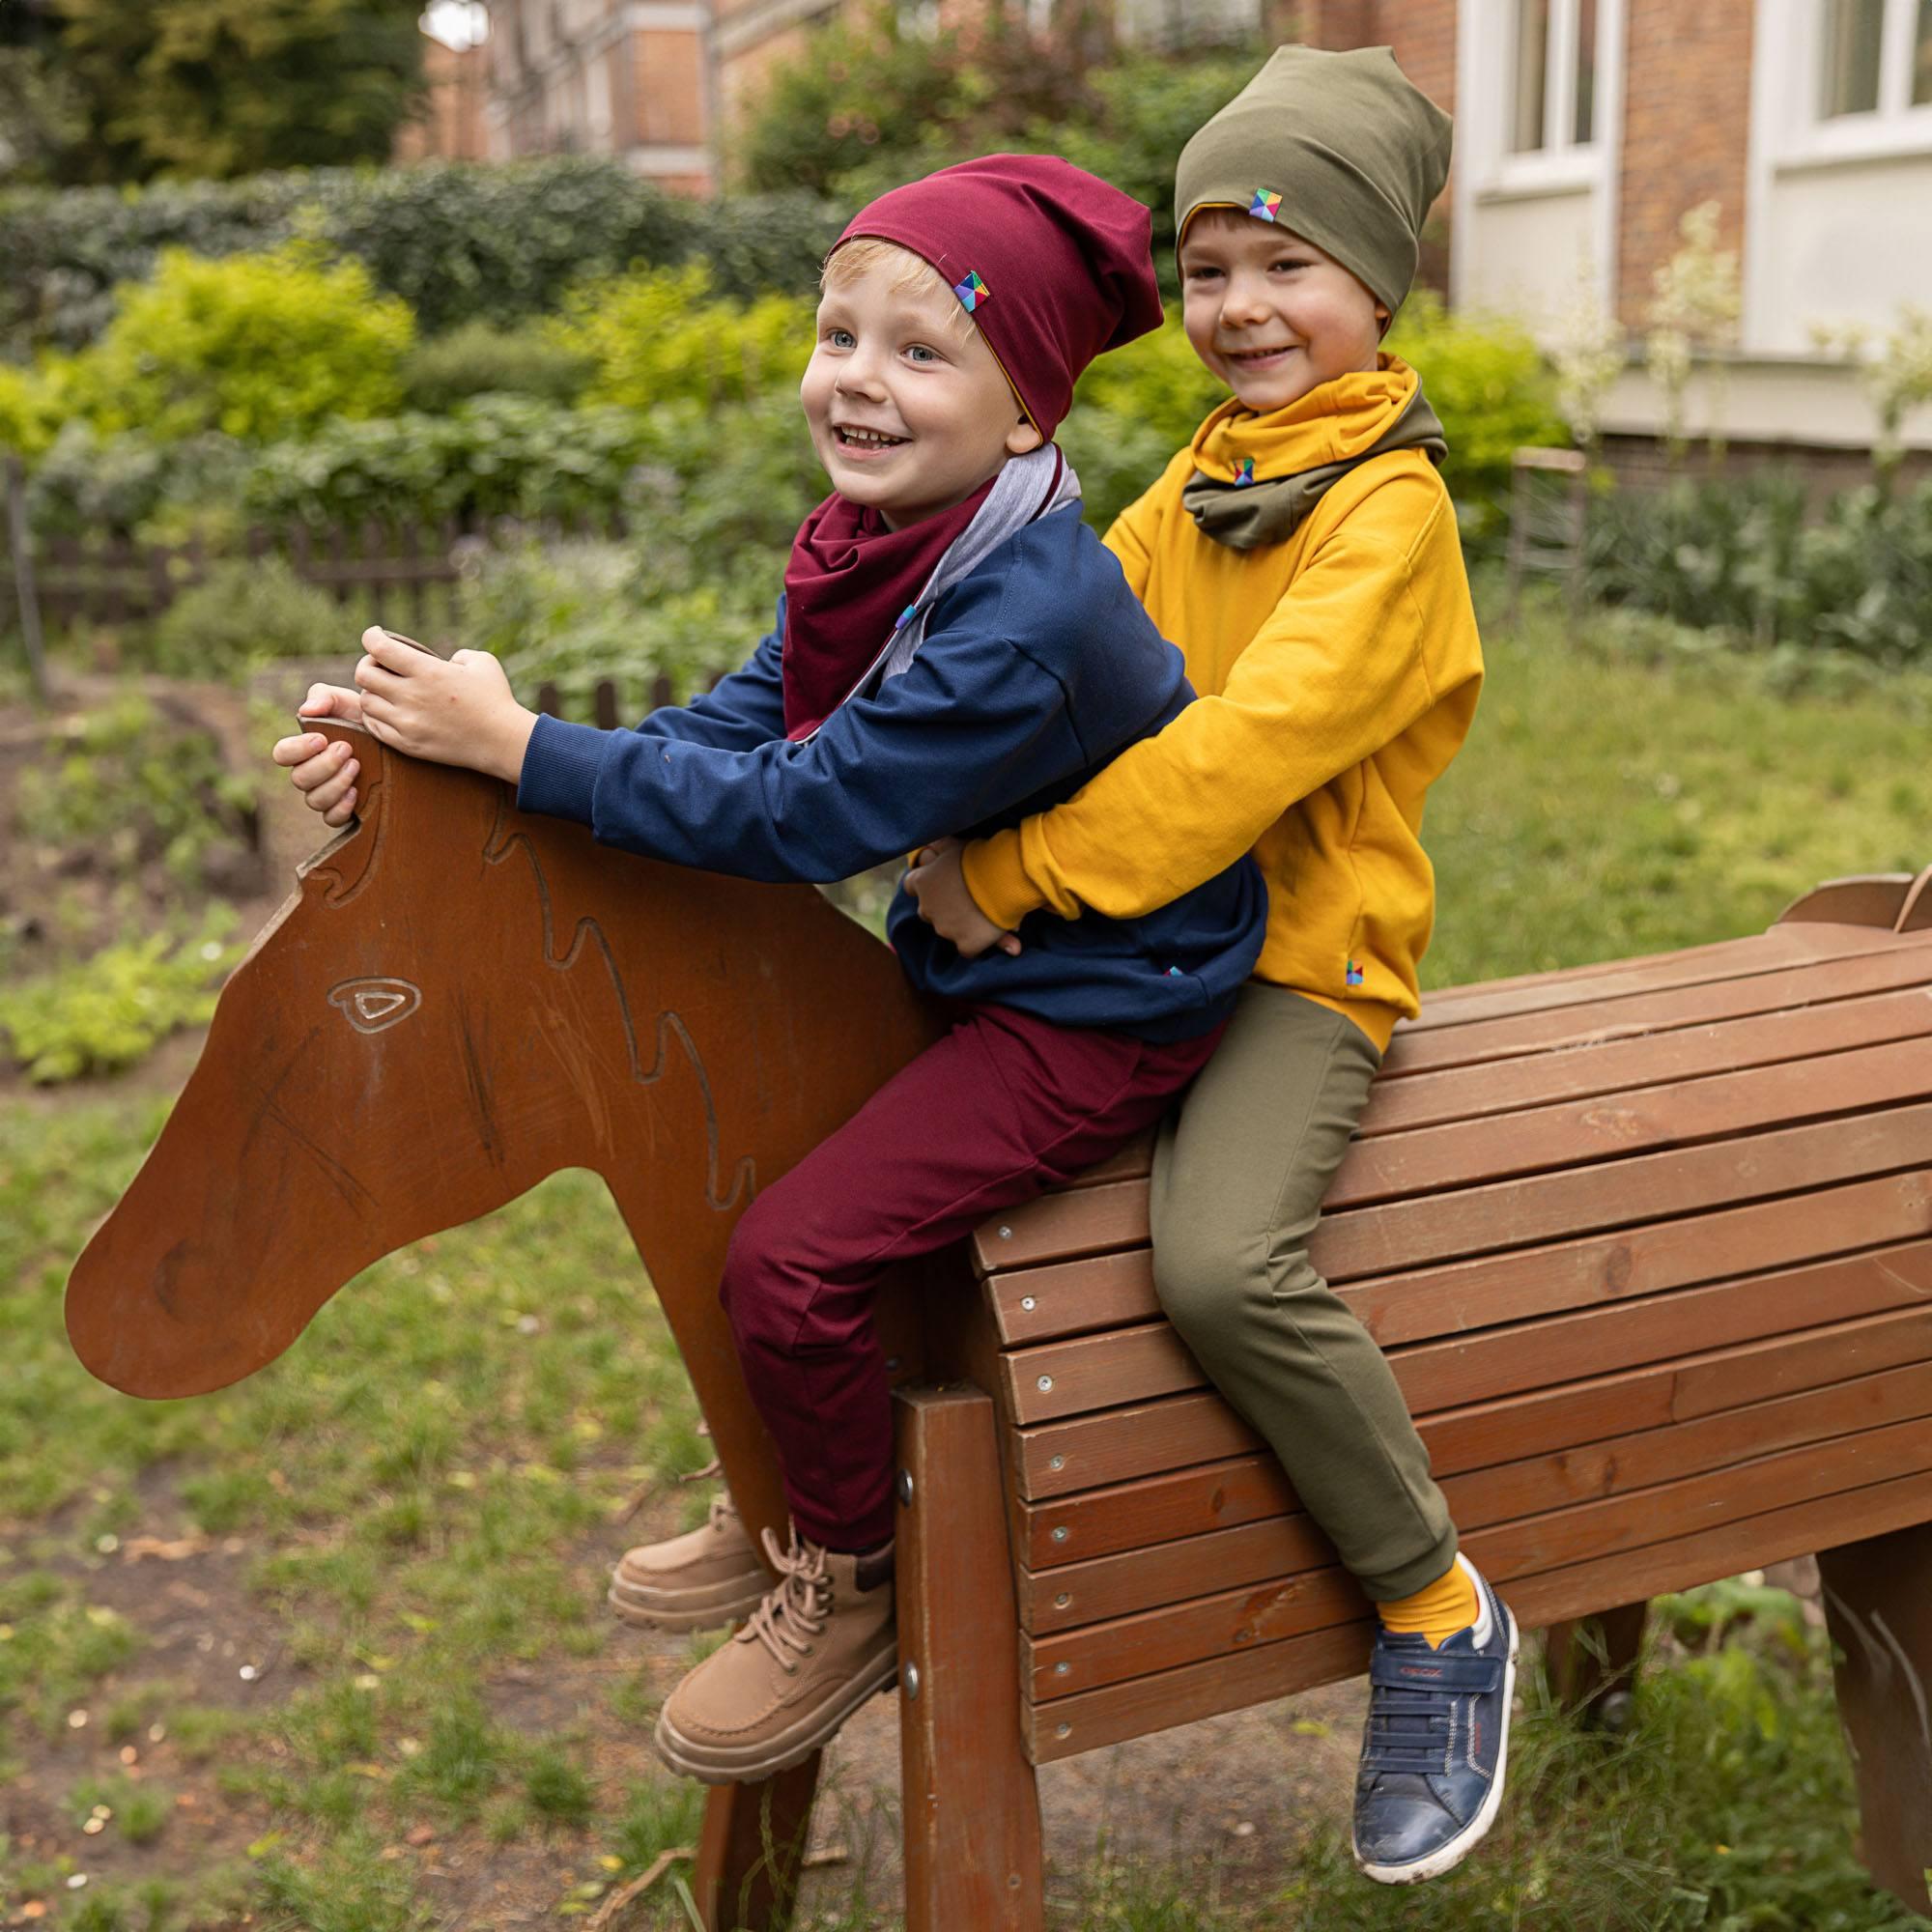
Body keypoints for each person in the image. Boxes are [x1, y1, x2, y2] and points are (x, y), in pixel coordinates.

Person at [270, 156, 1265, 1788]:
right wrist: (447, 767)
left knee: (787, 1257)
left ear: (1027, 418)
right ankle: (790, 1498)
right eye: (837, 333)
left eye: (921, 349)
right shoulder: (880, 544)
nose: (858, 378)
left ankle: (854, 1581)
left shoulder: (1022, 613)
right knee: (729, 1182)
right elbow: (740, 728)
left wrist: (517, 742)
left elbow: (804, 813)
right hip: (973, 957)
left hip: (1096, 1011)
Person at [904, 47, 1507, 1887]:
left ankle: (1434, 1610)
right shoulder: (1201, 476)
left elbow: (1244, 757)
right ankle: (853, 1532)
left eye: (1287, 262)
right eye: (1214, 266)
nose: (1243, 307)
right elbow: (1063, 639)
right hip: (1158, 935)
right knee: (877, 1117)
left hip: (1295, 964)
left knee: (1223, 1265)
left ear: (1378, 284)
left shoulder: (1386, 518)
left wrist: (1015, 877)